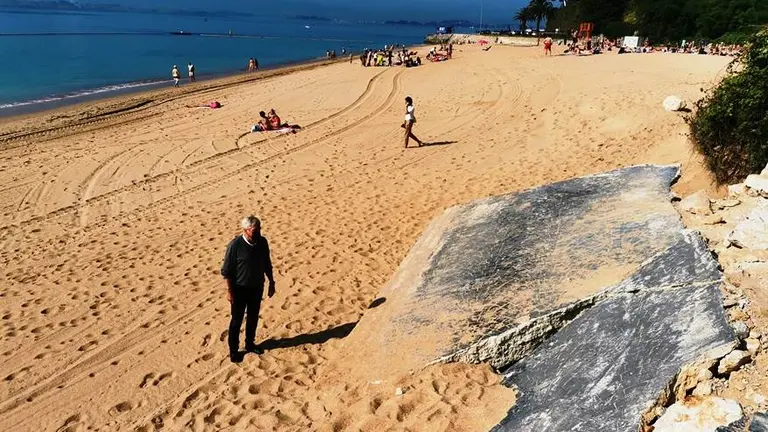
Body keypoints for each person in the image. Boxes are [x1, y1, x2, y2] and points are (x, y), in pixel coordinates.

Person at [221, 216, 275, 362]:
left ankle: (250, 344)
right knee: (237, 320)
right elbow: (226, 271)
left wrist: (271, 282)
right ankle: (234, 350)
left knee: (253, 317)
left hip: (257, 287)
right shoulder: (235, 246)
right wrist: (230, 291)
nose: (257, 233)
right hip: (239, 289)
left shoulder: (262, 242)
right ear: (245, 230)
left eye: (259, 229)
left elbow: (267, 263)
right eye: (254, 230)